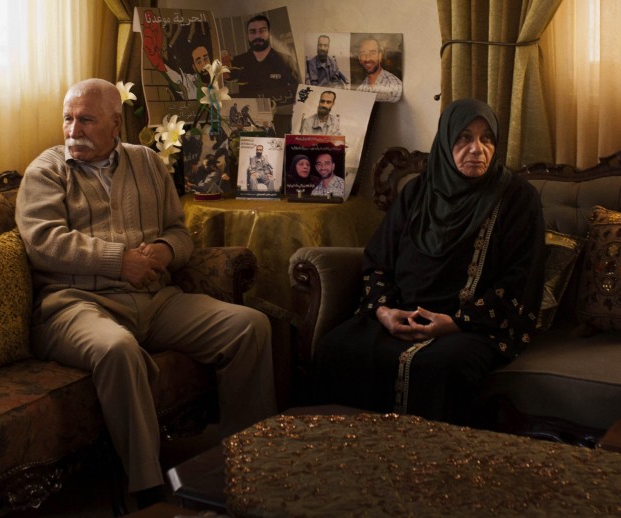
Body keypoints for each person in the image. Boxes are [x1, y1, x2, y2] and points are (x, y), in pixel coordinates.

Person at [15, 78, 277, 509]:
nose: (73, 129)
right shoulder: (46, 171)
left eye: (86, 119)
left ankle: (251, 463)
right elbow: (43, 242)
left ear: (116, 123)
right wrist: (119, 261)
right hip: (75, 306)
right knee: (117, 348)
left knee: (249, 326)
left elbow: (179, 231)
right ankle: (148, 489)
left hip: (155, 301)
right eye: (68, 118)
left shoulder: (149, 164)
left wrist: (164, 249)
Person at [313, 99, 546, 426]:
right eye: (464, 137)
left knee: (442, 367)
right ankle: (347, 458)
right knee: (336, 348)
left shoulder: (517, 198)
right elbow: (377, 260)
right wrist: (384, 312)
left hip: (473, 327)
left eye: (487, 138)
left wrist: (454, 322)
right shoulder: (417, 192)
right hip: (401, 315)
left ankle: (431, 469)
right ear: (446, 139)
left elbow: (520, 280)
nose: (477, 149)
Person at [231, 15, 299, 107]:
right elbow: (221, 79)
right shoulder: (238, 61)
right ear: (247, 35)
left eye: (262, 31)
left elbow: (298, 90)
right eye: (252, 32)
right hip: (250, 116)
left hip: (280, 115)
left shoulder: (286, 60)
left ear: (269, 33)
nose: (257, 36)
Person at [355, 37, 402, 103]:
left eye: (373, 53)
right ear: (359, 58)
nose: (367, 58)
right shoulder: (360, 89)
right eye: (363, 53)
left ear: (380, 56)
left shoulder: (395, 86)